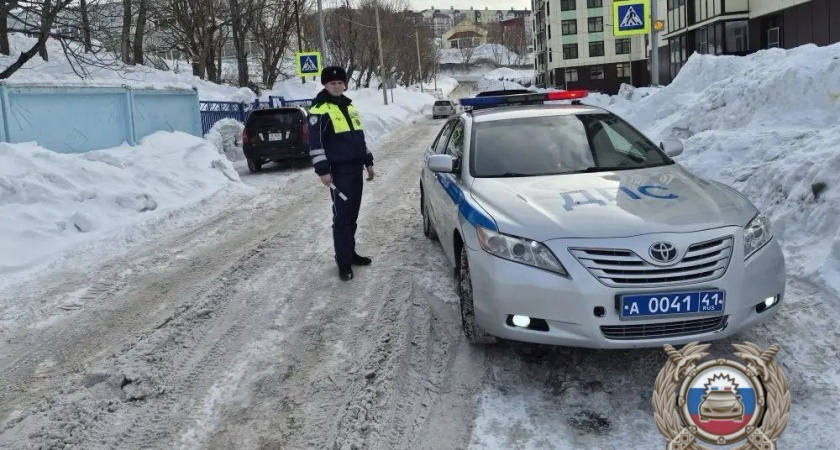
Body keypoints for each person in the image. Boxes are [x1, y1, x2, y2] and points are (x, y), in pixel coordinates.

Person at [307, 66, 375, 281]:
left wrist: (368, 162)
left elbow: (359, 138)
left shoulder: (349, 107)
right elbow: (315, 144)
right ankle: (343, 262)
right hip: (339, 172)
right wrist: (323, 171)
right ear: (325, 85)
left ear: (345, 84)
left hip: (355, 170)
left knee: (352, 215)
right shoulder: (319, 110)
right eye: (332, 83)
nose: (337, 86)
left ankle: (350, 253)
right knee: (342, 217)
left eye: (340, 82)